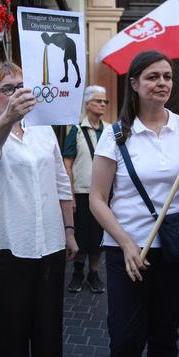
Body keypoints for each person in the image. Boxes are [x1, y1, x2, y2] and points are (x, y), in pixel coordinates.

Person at [90, 50, 179, 357]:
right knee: (125, 341)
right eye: (153, 77)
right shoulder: (115, 134)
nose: (162, 83)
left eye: (167, 76)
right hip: (127, 253)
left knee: (164, 337)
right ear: (134, 84)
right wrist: (127, 244)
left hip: (176, 250)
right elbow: (98, 199)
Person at [0, 62, 78, 357]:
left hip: (50, 244)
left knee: (48, 334)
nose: (17, 92)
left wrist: (69, 231)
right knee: (12, 336)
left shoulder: (43, 131)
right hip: (8, 247)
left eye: (21, 86)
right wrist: (8, 117)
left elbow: (61, 182)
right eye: (7, 88)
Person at [64, 85, 110, 294]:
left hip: (104, 194)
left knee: (98, 237)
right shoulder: (76, 130)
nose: (102, 104)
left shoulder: (110, 130)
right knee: (81, 235)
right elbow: (67, 164)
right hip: (82, 193)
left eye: (105, 101)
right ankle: (77, 273)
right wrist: (70, 195)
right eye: (98, 101)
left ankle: (94, 273)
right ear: (87, 104)